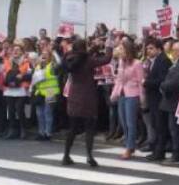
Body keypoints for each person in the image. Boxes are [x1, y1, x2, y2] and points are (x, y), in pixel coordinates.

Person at [58, 38, 112, 168]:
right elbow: (106, 59)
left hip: (74, 95)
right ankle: (89, 156)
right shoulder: (89, 60)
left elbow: (83, 55)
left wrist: (92, 48)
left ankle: (66, 155)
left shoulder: (70, 59)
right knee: (89, 128)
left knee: (73, 128)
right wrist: (109, 47)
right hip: (88, 96)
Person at [111, 43, 144, 158]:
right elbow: (119, 80)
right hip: (122, 94)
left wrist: (142, 97)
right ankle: (130, 144)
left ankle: (129, 147)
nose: (120, 52)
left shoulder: (137, 63)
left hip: (133, 94)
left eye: (122, 50)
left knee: (131, 123)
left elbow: (140, 82)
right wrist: (114, 93)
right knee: (123, 122)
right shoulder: (121, 62)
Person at [143, 39, 171, 159]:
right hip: (153, 98)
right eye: (147, 48)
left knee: (160, 126)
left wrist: (146, 82)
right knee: (155, 124)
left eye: (151, 48)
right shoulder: (154, 61)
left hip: (159, 98)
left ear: (159, 49)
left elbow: (162, 80)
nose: (148, 51)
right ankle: (156, 150)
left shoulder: (163, 60)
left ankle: (160, 152)